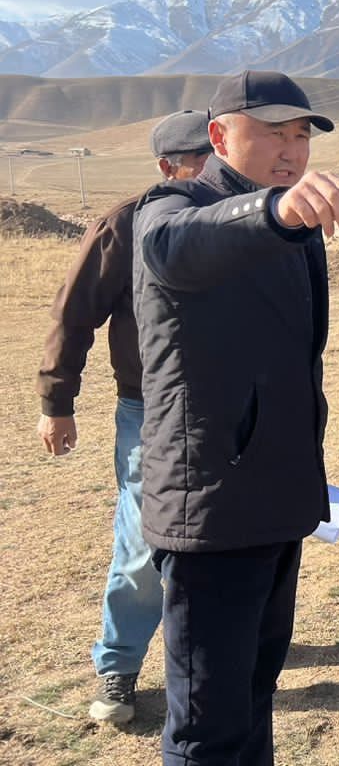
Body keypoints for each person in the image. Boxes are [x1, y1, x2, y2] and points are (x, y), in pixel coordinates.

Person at [134, 70, 339, 765]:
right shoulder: (176, 207)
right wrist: (272, 213)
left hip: (276, 501)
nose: (291, 150)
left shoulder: (287, 224)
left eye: (301, 135)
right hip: (212, 511)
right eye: (271, 133)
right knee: (207, 726)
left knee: (254, 696)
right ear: (218, 135)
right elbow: (174, 248)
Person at [36, 111, 212, 725]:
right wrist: (57, 403)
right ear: (167, 167)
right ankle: (119, 665)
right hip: (151, 408)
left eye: (217, 152)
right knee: (143, 541)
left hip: (231, 406)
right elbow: (74, 315)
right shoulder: (126, 224)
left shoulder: (242, 217)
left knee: (228, 536)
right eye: (199, 157)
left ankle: (221, 645)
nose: (213, 166)